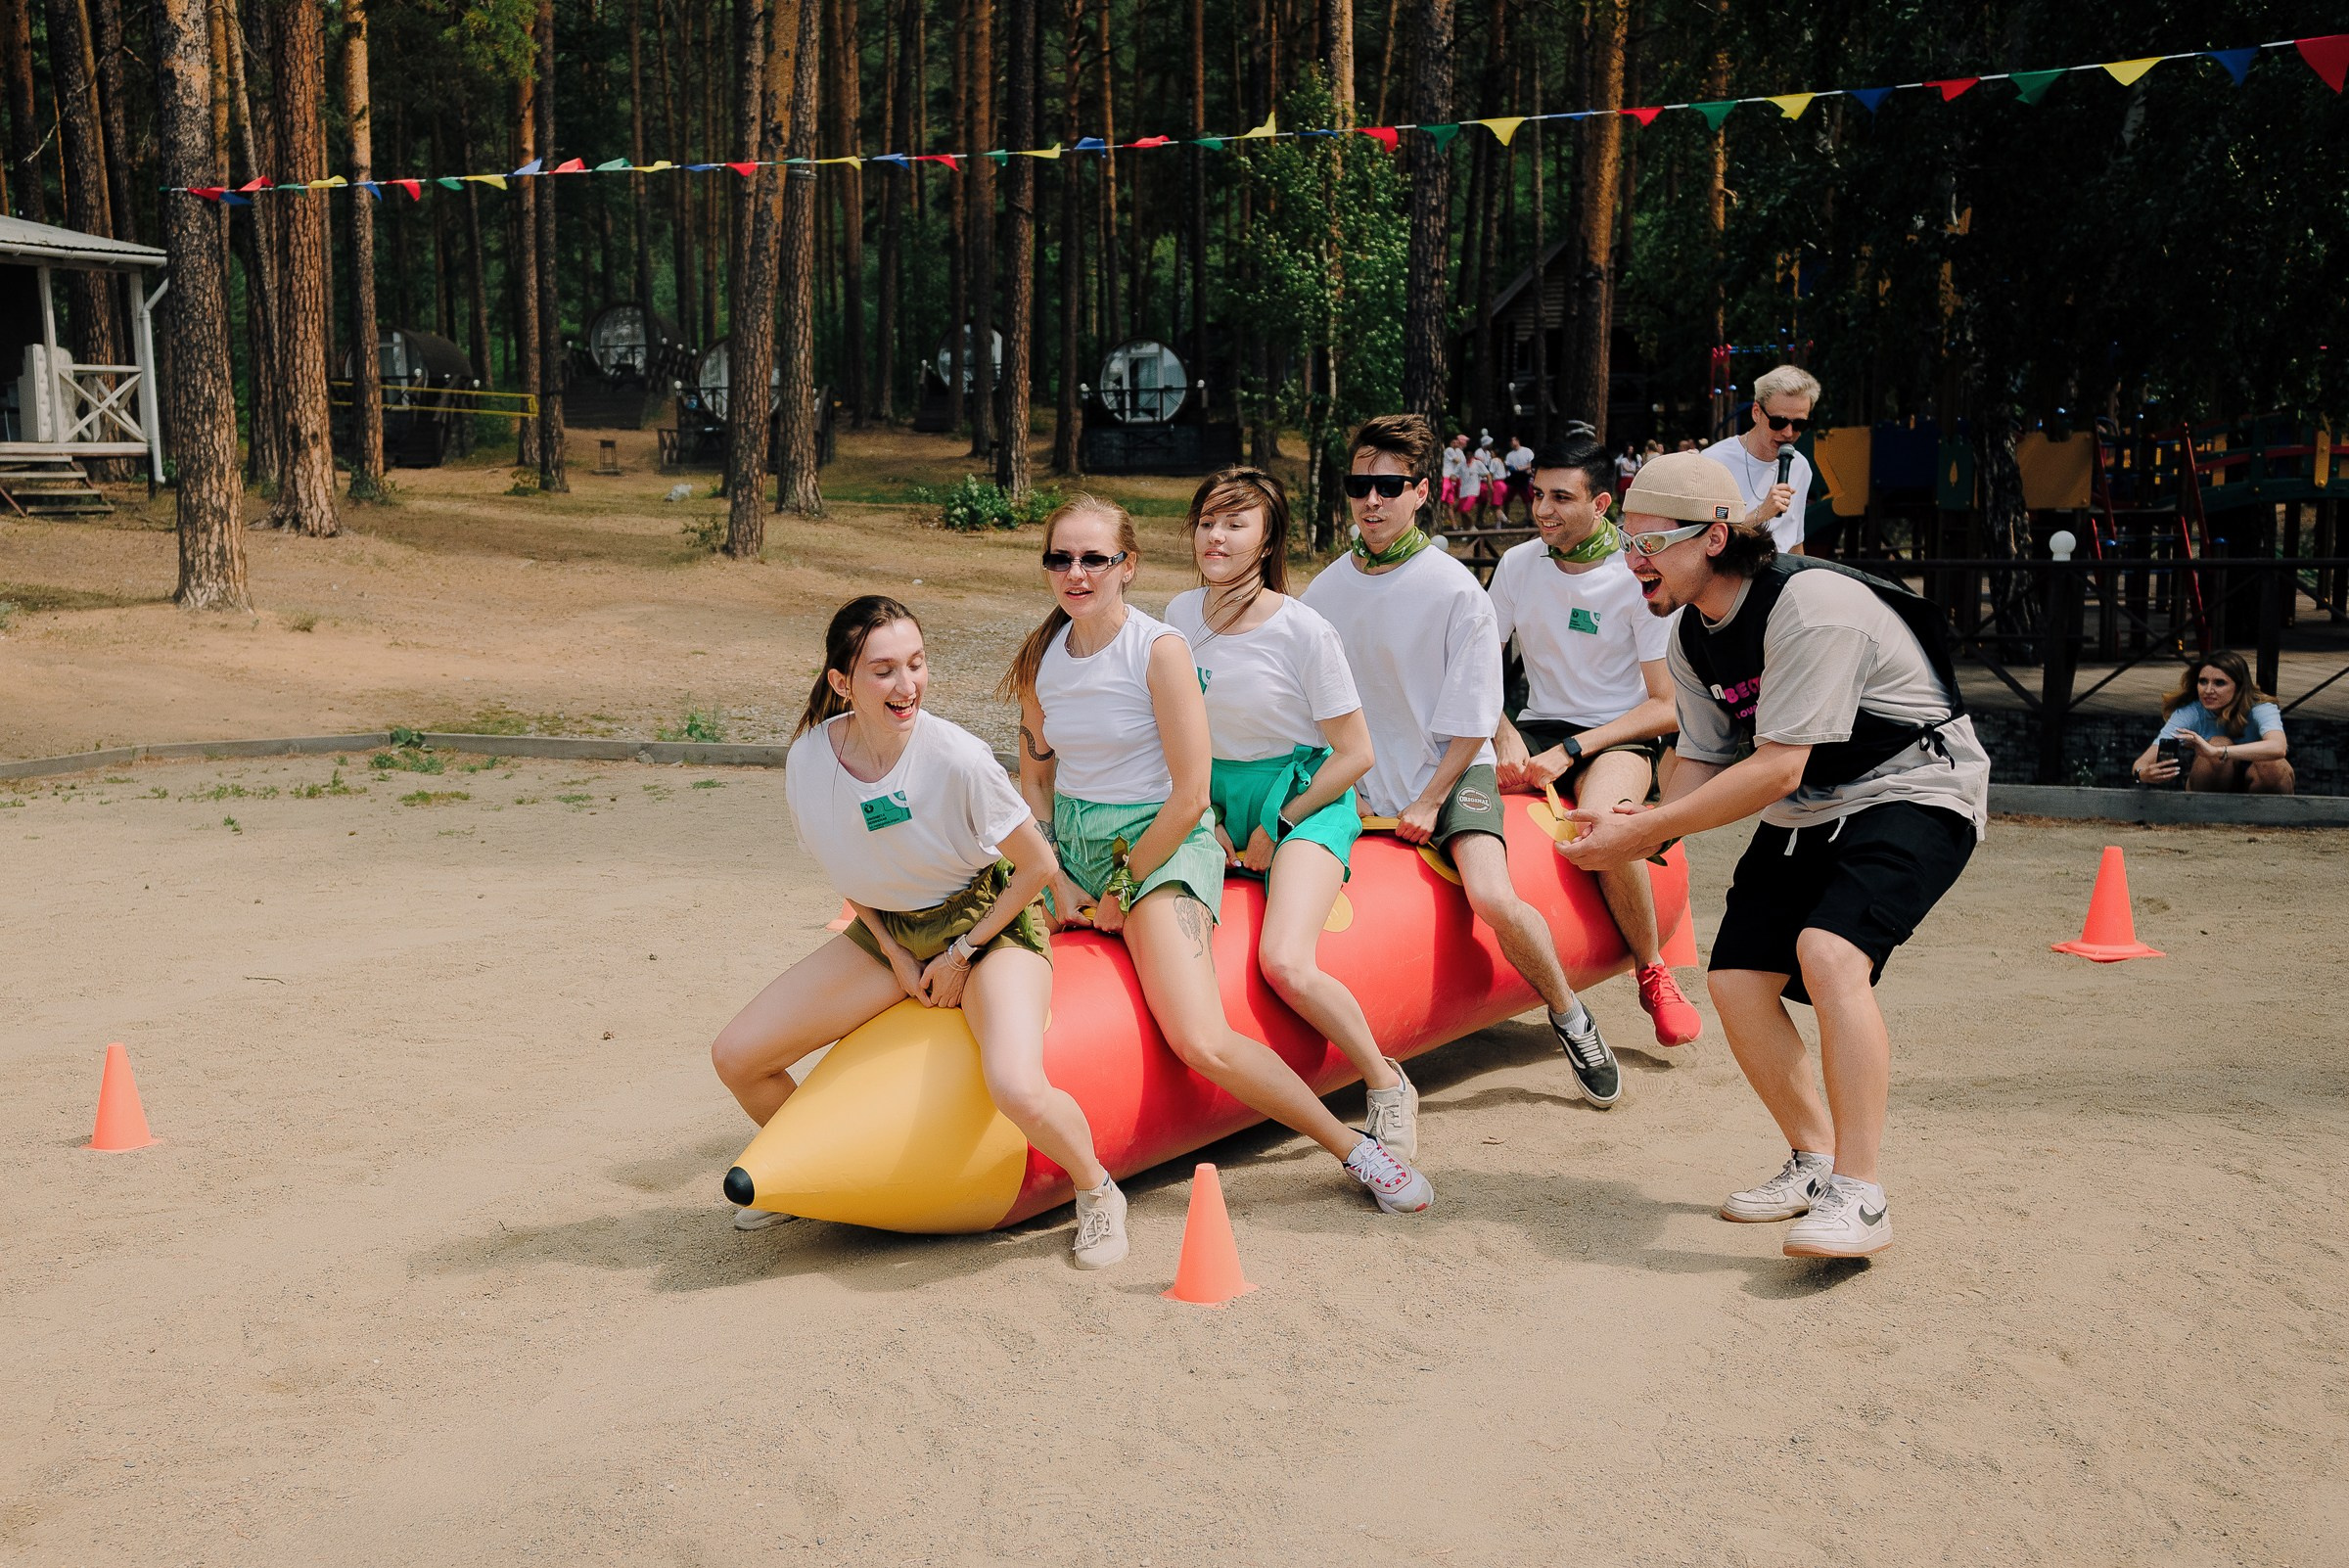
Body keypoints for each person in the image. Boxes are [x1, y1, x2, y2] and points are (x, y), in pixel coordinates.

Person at [1562, 452, 1989, 1260]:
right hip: (1811, 806)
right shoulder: (1691, 636)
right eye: (1628, 542)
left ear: (1716, 536)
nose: (1634, 561)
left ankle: (1862, 1195)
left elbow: (1778, 765)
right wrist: (1637, 818)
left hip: (1915, 785)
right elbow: (1705, 755)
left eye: (1653, 542)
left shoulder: (1812, 605)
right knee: (1734, 979)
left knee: (1829, 954)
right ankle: (1816, 1162)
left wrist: (1650, 833)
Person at [1000, 494, 1435, 1214]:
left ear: (1127, 566)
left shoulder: (1160, 649)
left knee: (1201, 1039)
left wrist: (1121, 886)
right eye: (1060, 558)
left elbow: (1191, 795)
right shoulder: (1040, 655)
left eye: (1094, 559)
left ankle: (1355, 1149)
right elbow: (1037, 776)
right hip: (1071, 842)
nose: (1076, 573)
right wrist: (1049, 871)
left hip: (1156, 843)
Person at [711, 596, 1129, 1268]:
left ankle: (1098, 1191)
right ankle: (820, 1180)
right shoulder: (810, 760)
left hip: (990, 918)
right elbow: (848, 867)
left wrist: (963, 954)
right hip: (891, 928)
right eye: (883, 671)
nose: (906, 686)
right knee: (737, 1057)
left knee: (1015, 1085)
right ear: (841, 682)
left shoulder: (956, 759)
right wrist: (893, 954)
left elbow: (1037, 867)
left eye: (916, 664)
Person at [1303, 413, 1624, 1108]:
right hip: (1359, 781)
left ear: (1422, 491)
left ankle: (1570, 1015)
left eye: (1389, 486)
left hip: (1450, 772)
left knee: (1491, 894)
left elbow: (1473, 718)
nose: (1372, 500)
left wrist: (1424, 802)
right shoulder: (1323, 593)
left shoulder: (1453, 590)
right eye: (1359, 485)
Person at [1163, 468, 1421, 1159]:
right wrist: (1207, 822)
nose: (1215, 536)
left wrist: (1278, 825)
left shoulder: (1304, 631)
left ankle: (1385, 1081)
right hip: (1207, 795)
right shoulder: (1178, 616)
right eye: (1207, 521)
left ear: (1268, 537)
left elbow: (1354, 753)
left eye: (1234, 523)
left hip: (1302, 797)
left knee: (1284, 962)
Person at [1489, 436, 1703, 1048]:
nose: (1544, 510)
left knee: (1603, 823)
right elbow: (1472, 667)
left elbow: (1666, 707)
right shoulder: (1518, 565)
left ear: (1602, 503)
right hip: (1534, 725)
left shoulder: (1636, 575)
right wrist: (1503, 733)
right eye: (1538, 495)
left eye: (1562, 497)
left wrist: (1575, 750)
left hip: (1617, 735)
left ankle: (1652, 971)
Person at [2131, 650, 2294, 793]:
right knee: (2218, 741)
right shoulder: (2191, 712)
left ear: (2239, 687)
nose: (2208, 690)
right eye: (2203, 681)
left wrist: (2216, 751)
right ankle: (2204, 818)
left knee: (2271, 762)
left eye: (2219, 683)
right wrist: (2142, 774)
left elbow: (2278, 747)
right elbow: (2142, 762)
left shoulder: (2261, 707)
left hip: (2259, 785)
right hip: (2212, 786)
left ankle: (2269, 822)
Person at [1703, 364, 1818, 557]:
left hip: (1775, 581)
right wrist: (1761, 513)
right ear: (1756, 412)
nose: (1788, 433)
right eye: (1778, 422)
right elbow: (1702, 539)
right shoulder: (1713, 462)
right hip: (1727, 580)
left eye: (1799, 424)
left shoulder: (1800, 466)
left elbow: (1794, 542)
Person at [1502, 434, 1535, 519]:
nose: (1511, 443)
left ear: (1517, 441)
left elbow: (1531, 464)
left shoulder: (1527, 451)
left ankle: (1529, 519)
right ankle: (1505, 518)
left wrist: (1522, 468)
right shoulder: (1509, 455)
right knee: (1507, 498)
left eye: (1512, 441)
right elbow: (1508, 467)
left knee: (1527, 499)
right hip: (1513, 477)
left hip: (1524, 476)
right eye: (1510, 442)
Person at [1440, 433, 1470, 521]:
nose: (1456, 444)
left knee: (1450, 503)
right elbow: (1458, 461)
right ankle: (1442, 517)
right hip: (1447, 477)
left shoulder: (1456, 451)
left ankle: (1453, 524)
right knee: (1443, 501)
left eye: (1457, 442)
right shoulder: (1450, 450)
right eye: (1454, 442)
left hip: (1451, 479)